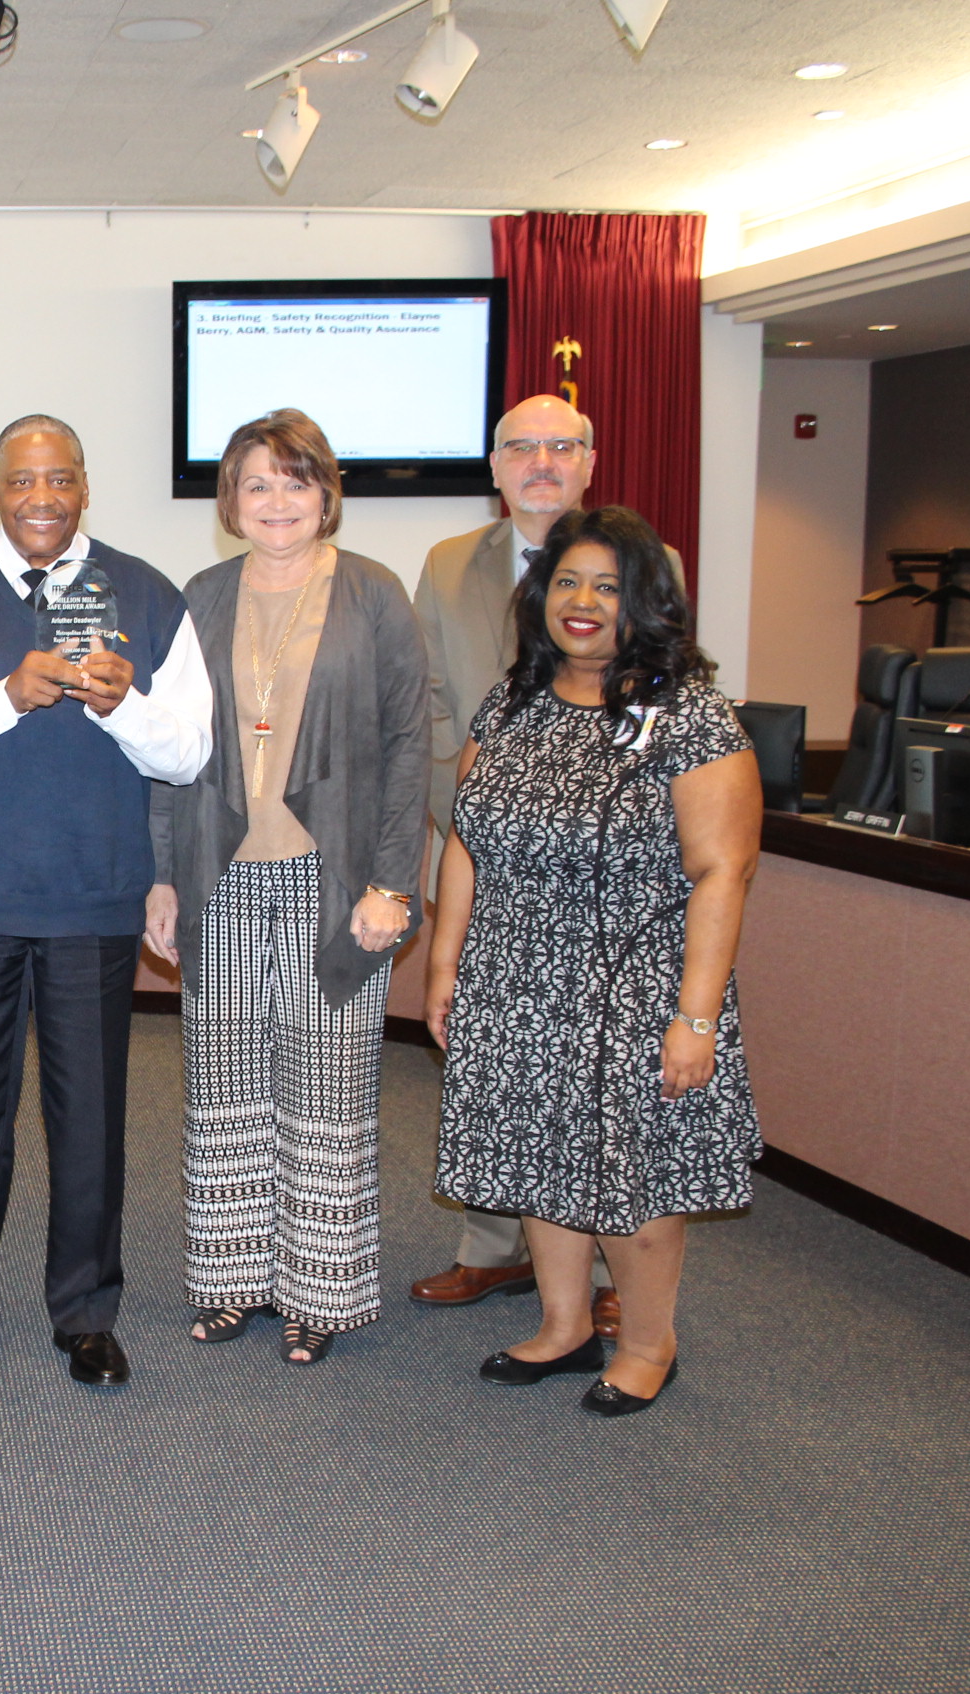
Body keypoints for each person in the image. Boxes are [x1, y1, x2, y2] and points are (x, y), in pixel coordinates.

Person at [0, 413, 211, 1392]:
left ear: (85, 487)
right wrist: (4, 698)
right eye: (23, 482)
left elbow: (190, 751)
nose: (42, 500)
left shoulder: (146, 593)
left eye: (60, 480)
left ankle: (86, 1313)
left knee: (90, 1119)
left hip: (92, 899)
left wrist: (125, 706)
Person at [424, 504, 761, 1417]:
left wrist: (695, 1016)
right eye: (567, 582)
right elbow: (467, 840)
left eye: (608, 587)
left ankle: (649, 1343)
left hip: (633, 989)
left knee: (631, 1172)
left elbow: (722, 870)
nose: (583, 603)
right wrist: (446, 966)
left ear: (644, 603)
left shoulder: (688, 715)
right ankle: (565, 1325)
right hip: (515, 980)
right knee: (539, 1154)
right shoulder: (515, 700)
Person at [146, 409, 429, 1365]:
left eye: (295, 482)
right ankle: (233, 1280)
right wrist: (161, 875)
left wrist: (395, 881)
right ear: (231, 500)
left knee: (327, 1086)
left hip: (337, 878)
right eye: (257, 483)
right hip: (219, 873)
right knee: (223, 1084)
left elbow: (406, 747)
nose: (276, 502)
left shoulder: (376, 593)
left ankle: (321, 1292)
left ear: (326, 495)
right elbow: (170, 752)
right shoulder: (200, 597)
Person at [408, 394, 678, 1337]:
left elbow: (665, 691)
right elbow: (431, 702)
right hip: (482, 849)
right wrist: (468, 819)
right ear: (494, 467)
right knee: (493, 1056)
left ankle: (610, 1267)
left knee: (603, 1070)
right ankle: (494, 1251)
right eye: (521, 447)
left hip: (604, 873)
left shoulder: (651, 563)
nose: (541, 462)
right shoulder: (448, 566)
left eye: (562, 446)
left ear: (591, 463)